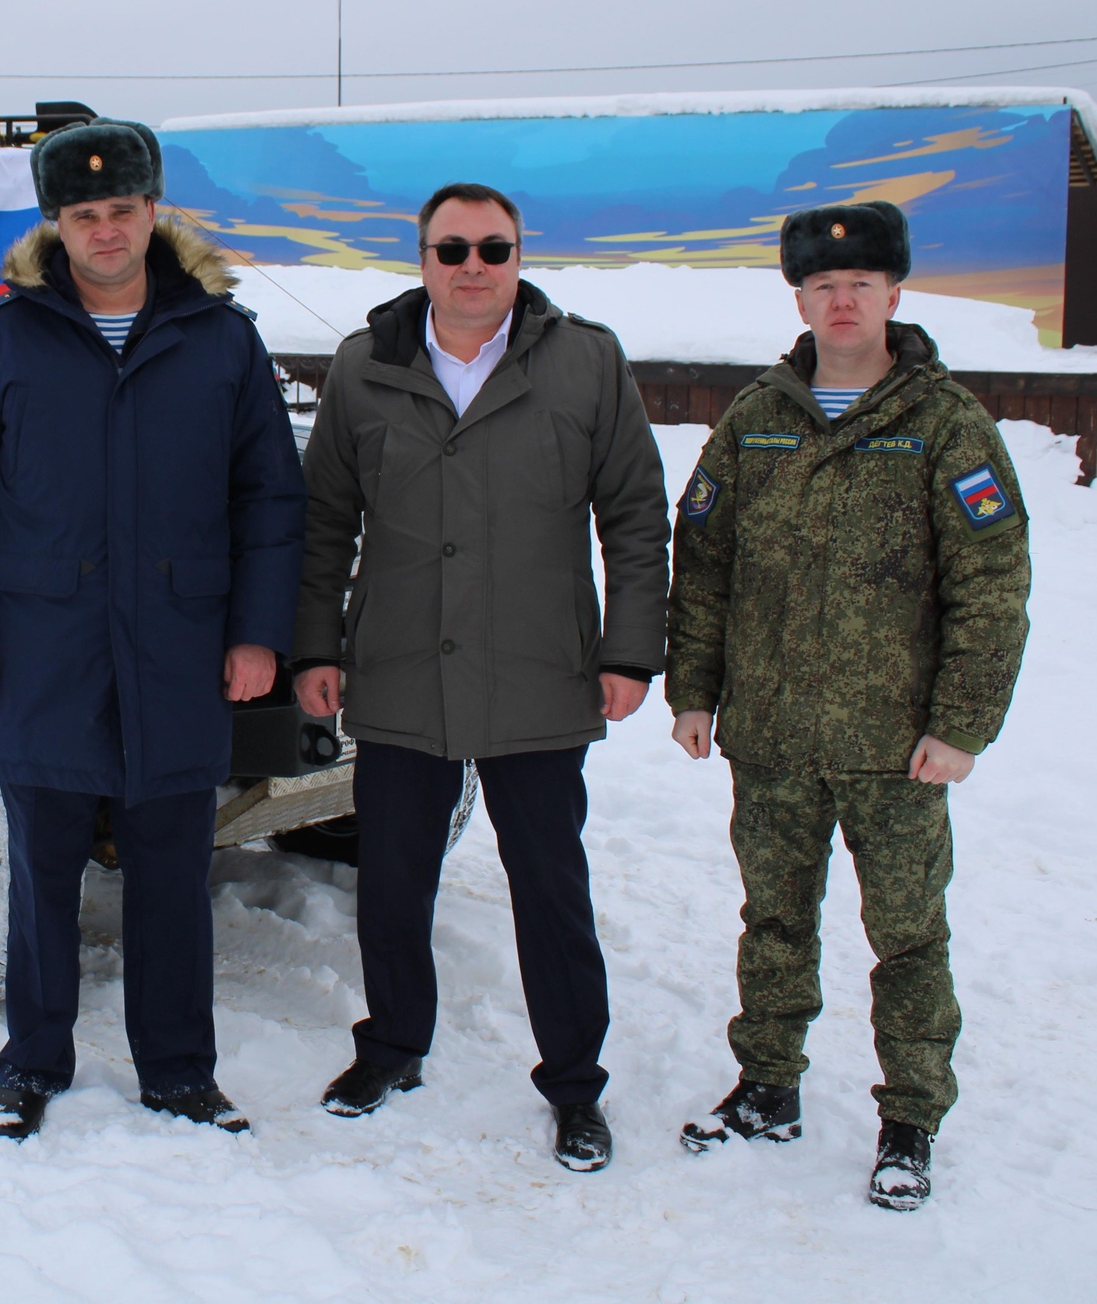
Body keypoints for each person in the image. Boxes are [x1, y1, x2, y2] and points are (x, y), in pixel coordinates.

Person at [0, 119, 306, 1141]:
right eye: (83, 215)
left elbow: (269, 498)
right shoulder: (0, 341)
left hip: (175, 648)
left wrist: (258, 633)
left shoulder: (221, 340)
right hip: (44, 650)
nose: (104, 231)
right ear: (56, 225)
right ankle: (32, 1064)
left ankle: (178, 1071)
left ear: (154, 212)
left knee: (172, 873)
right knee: (40, 870)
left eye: (121, 210)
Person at [292, 182, 670, 1172]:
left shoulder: (586, 362)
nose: (471, 269)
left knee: (549, 886)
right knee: (393, 880)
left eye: (491, 251)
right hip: (402, 668)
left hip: (542, 674)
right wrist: (314, 646)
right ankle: (392, 1048)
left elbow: (632, 511)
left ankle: (575, 1085)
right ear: (420, 259)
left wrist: (630, 649)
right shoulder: (364, 368)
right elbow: (323, 522)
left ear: (517, 257)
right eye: (450, 250)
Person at [665, 198, 1032, 1212]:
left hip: (895, 744)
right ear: (799, 295)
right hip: (773, 732)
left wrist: (960, 724)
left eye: (859, 285)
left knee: (907, 935)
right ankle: (767, 1086)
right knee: (773, 917)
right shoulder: (757, 420)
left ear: (892, 294)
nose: (840, 300)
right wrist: (693, 690)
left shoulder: (943, 423)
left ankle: (909, 1117)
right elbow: (702, 565)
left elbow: (991, 586)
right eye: (823, 285)